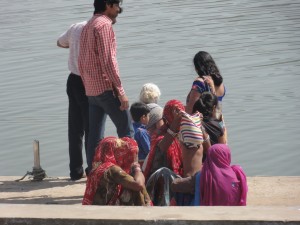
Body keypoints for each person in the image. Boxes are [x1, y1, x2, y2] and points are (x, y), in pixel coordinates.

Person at [78, 0, 133, 174]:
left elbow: (81, 60)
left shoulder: (88, 25)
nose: (119, 10)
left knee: (94, 137)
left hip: (92, 91)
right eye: (117, 6)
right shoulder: (104, 25)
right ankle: (130, 173)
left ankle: (94, 175)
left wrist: (87, 85)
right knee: (127, 130)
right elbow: (108, 61)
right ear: (108, 5)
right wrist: (121, 91)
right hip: (106, 89)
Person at [57, 21, 89, 180]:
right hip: (90, 82)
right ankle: (93, 170)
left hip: (73, 80)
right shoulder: (99, 28)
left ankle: (76, 171)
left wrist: (73, 47)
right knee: (93, 128)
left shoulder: (75, 26)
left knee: (75, 129)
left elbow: (59, 42)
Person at [82, 136, 152, 206]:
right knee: (136, 187)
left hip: (93, 209)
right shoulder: (111, 169)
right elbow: (138, 185)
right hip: (104, 212)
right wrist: (137, 168)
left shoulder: (96, 169)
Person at [171, 144, 248, 206]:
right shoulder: (237, 175)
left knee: (180, 194)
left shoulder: (203, 176)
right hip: (232, 212)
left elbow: (175, 185)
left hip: (208, 213)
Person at [143, 100, 185, 206]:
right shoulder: (159, 133)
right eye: (174, 112)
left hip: (177, 179)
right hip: (159, 180)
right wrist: (174, 125)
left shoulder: (184, 131)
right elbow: (162, 147)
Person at [185, 51, 225, 116]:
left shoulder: (199, 83)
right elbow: (218, 108)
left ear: (197, 68)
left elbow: (190, 110)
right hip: (218, 123)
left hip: (202, 124)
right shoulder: (220, 82)